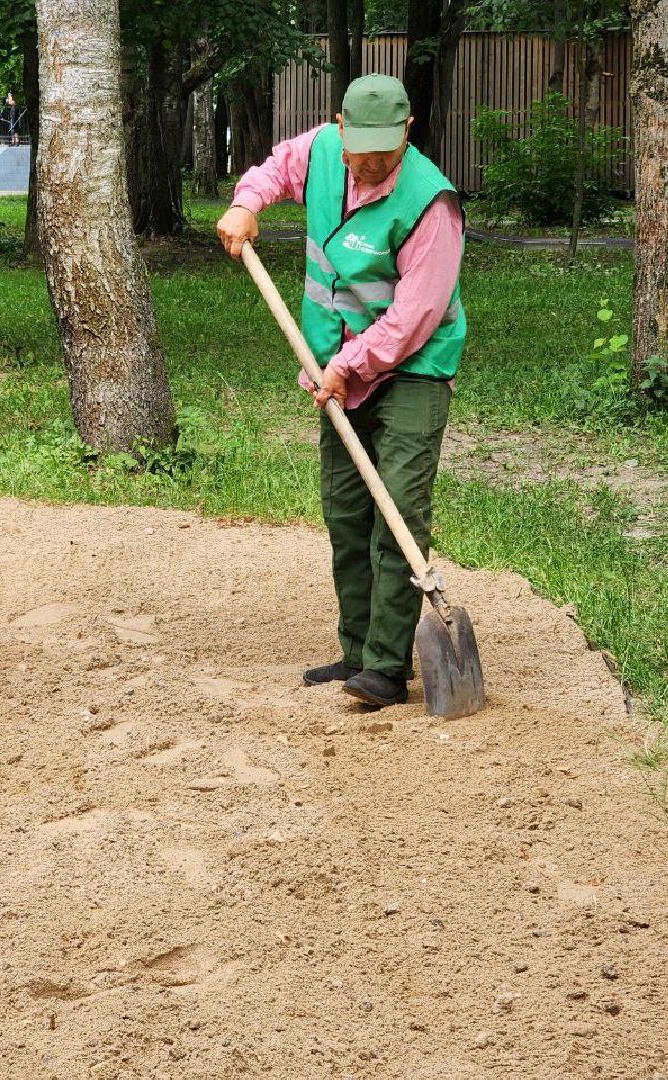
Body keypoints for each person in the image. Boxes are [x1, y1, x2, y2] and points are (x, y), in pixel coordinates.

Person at [215, 74, 466, 709]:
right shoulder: (324, 152)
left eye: (388, 148)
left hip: (412, 367)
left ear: (408, 131)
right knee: (347, 510)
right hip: (338, 368)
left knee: (398, 506)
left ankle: (386, 666)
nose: (375, 162)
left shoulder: (431, 204)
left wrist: (349, 364)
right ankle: (358, 651)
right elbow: (275, 169)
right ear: (340, 129)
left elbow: (413, 319)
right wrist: (247, 203)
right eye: (363, 148)